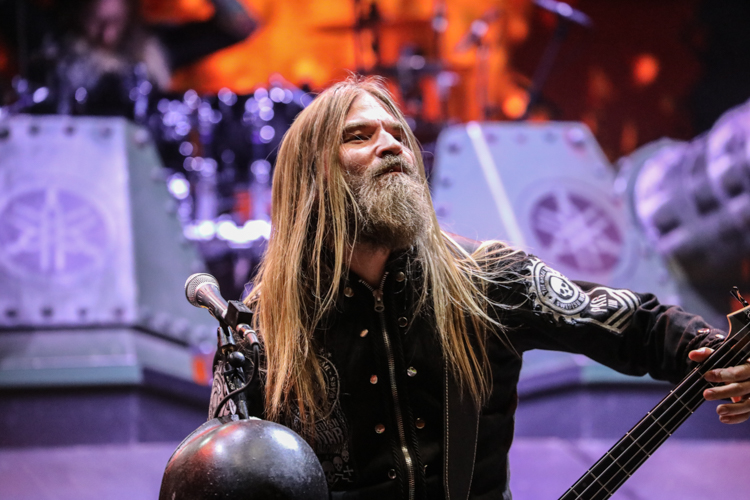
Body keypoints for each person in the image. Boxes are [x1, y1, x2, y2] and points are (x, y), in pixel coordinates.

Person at [208, 75, 750, 499]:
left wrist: (720, 354)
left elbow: (636, 325)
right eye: (360, 135)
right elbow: (221, 478)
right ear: (312, 175)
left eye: (398, 133)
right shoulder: (261, 329)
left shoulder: (488, 278)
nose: (391, 145)